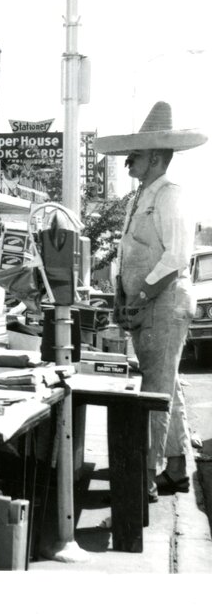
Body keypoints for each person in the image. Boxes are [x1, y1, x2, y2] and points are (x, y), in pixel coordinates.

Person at [94, 100, 207, 501]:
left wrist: (139, 296)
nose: (128, 163)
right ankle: (175, 469)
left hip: (164, 303)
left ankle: (144, 478)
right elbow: (129, 255)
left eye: (136, 155)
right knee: (166, 386)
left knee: (154, 390)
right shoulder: (142, 196)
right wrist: (121, 296)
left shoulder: (171, 195)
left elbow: (175, 258)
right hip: (147, 304)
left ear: (157, 157)